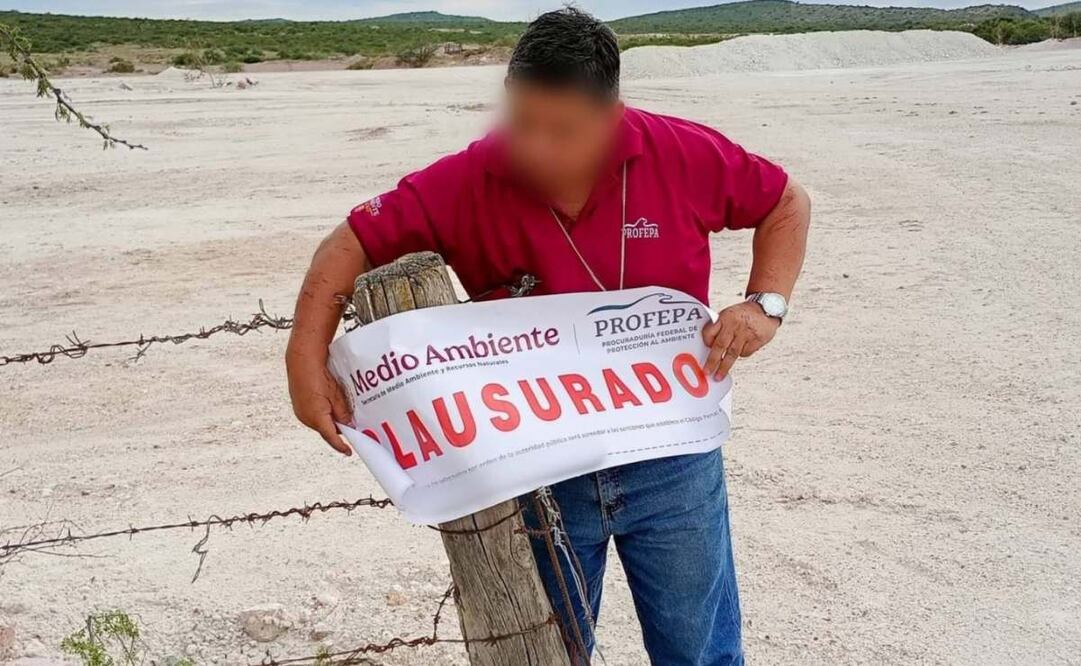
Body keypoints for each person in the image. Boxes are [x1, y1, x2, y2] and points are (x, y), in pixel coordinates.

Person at [286, 7, 810, 665]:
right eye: (520, 120)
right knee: (545, 653)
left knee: (698, 650)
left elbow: (785, 202)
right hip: (536, 465)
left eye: (561, 130)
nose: (533, 147)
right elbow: (350, 242)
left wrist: (765, 303)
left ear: (612, 116)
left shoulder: (680, 152)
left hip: (671, 452)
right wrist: (303, 358)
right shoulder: (471, 177)